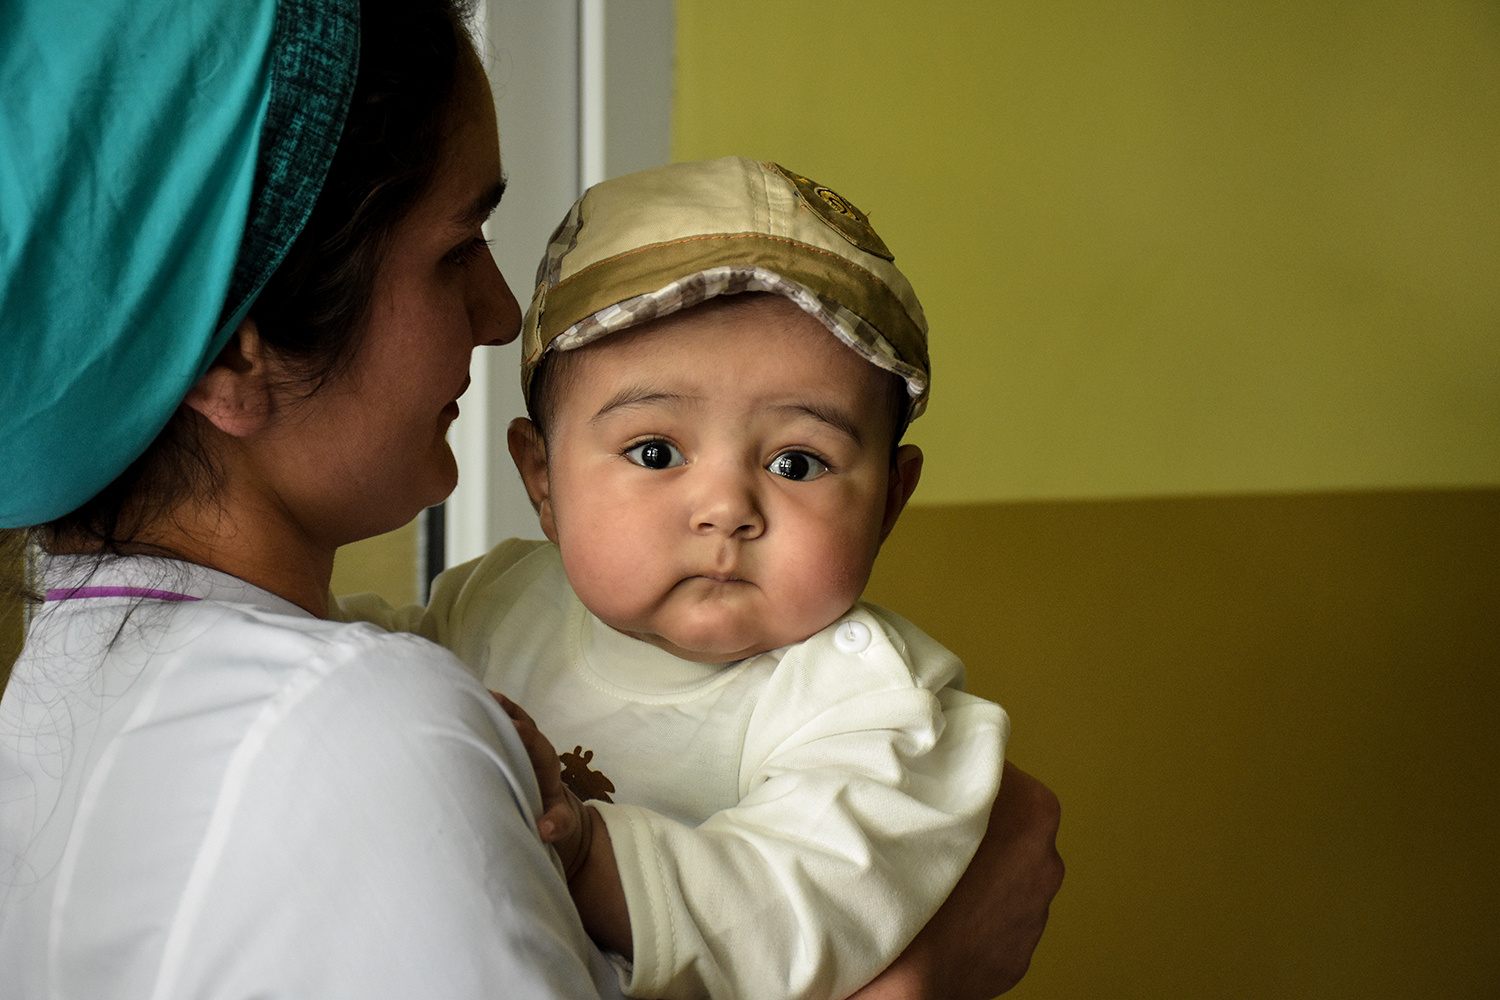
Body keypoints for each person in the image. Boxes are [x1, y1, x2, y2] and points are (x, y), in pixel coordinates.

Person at [0, 1, 1062, 998]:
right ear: (239, 349)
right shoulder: (381, 713)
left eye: (797, 461)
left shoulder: (56, 691)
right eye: (458, 246)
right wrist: (928, 975)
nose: (505, 316)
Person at [336, 157, 1001, 1000]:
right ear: (543, 480)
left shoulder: (872, 706)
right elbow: (339, 669)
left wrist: (589, 855)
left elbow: (795, 909)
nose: (726, 507)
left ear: (889, 503)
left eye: (798, 462)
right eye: (655, 452)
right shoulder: (496, 604)